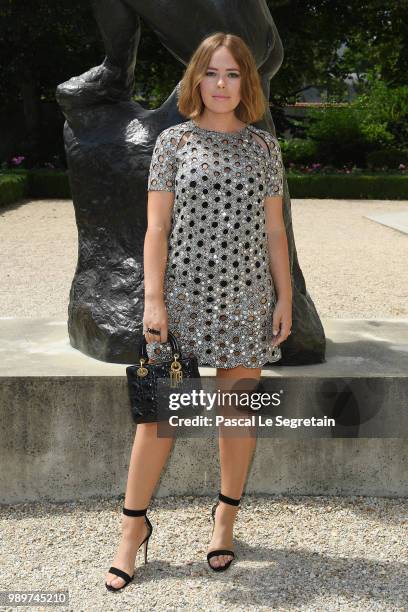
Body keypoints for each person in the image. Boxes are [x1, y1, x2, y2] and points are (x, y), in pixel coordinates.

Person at [105, 31, 292, 591]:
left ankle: (225, 519)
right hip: (181, 299)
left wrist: (285, 297)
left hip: (245, 298)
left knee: (238, 413)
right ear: (196, 79)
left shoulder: (263, 147)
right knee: (157, 420)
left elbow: (275, 231)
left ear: (247, 83)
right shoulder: (174, 143)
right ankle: (132, 530)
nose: (221, 84)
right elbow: (156, 227)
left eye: (233, 74)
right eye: (212, 73)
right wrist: (153, 298)